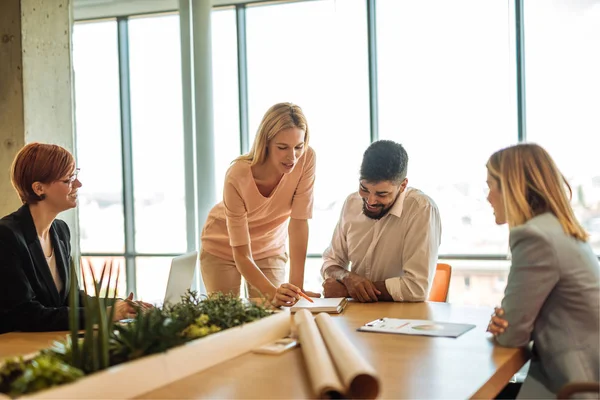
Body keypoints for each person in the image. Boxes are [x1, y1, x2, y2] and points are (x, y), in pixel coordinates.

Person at [485, 143, 599, 398]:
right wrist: (509, 320)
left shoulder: (534, 237)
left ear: (512, 187)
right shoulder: (558, 228)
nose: (488, 196)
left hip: (574, 386)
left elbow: (511, 334)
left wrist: (506, 323)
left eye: (491, 185)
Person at [0, 143, 145, 334]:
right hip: (16, 349)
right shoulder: (6, 235)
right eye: (68, 180)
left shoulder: (60, 231)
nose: (78, 185)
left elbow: (73, 298)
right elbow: (27, 315)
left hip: (50, 341)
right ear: (38, 188)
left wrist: (122, 305)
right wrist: (107, 313)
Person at [201, 103, 320, 307]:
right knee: (227, 316)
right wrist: (272, 292)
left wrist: (295, 288)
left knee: (276, 310)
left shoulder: (306, 159)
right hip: (223, 245)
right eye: (282, 147)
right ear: (265, 143)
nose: (292, 157)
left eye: (298, 147)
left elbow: (299, 223)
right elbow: (241, 254)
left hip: (269, 247)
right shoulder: (237, 174)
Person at [320, 140, 442, 302]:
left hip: (403, 320)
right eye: (364, 189)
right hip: (356, 316)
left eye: (382, 194)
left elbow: (416, 288)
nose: (370, 201)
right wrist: (347, 278)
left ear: (403, 185)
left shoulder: (421, 209)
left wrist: (350, 290)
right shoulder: (351, 203)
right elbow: (331, 262)